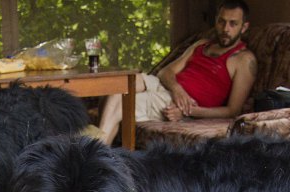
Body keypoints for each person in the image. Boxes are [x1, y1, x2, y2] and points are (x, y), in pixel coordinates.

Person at [98, 0, 257, 145]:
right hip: (166, 87)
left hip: (174, 103)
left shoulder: (244, 60)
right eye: (221, 22)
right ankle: (96, 153)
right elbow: (165, 72)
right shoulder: (201, 45)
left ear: (244, 27)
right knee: (122, 83)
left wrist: (187, 111)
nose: (225, 29)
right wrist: (177, 89)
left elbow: (232, 111)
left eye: (233, 24)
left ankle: (93, 155)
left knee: (121, 103)